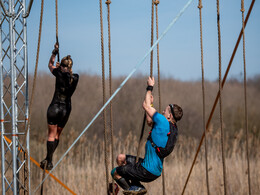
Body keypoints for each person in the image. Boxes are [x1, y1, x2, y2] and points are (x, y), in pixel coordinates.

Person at [110, 76, 183, 194]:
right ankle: (136, 186)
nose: (163, 112)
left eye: (165, 111)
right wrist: (151, 104)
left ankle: (132, 190)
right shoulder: (169, 128)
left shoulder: (163, 121)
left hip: (146, 170)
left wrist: (150, 87)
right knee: (121, 158)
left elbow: (146, 106)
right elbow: (149, 121)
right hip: (150, 169)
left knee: (115, 172)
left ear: (169, 116)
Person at [40, 43, 79, 170]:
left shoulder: (58, 73)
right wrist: (62, 69)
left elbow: (50, 65)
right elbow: (67, 75)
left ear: (62, 66)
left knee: (51, 135)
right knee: (57, 135)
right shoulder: (76, 77)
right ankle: (48, 159)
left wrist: (54, 53)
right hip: (66, 110)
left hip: (54, 107)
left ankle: (49, 161)